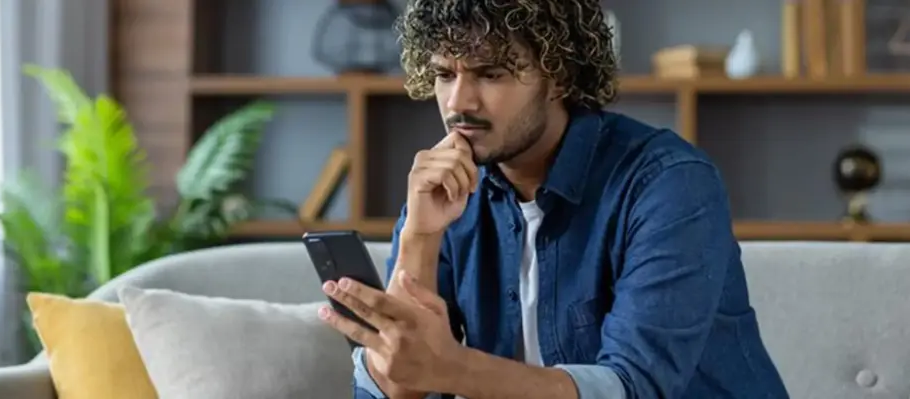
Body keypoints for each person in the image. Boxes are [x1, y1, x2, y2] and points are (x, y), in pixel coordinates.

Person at [316, 0, 791, 398]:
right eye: (443, 74)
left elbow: (634, 387)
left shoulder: (668, 183)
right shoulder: (446, 187)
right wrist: (421, 234)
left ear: (558, 76)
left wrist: (449, 368)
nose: (459, 102)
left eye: (490, 73)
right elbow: (396, 389)